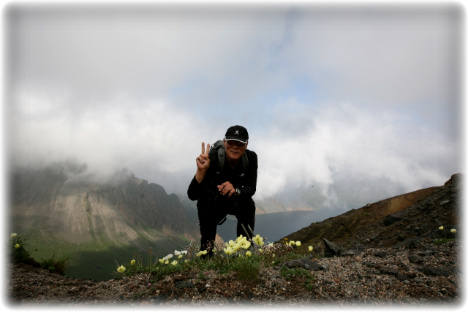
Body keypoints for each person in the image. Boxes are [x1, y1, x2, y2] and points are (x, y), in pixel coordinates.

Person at [187, 125, 258, 256]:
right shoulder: (212, 158)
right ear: (224, 142)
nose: (235, 146)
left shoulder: (251, 158)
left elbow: (251, 188)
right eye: (231, 142)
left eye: (240, 143)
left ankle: (243, 253)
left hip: (234, 200)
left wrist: (236, 190)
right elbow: (192, 195)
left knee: (248, 205)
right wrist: (201, 171)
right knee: (204, 204)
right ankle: (206, 255)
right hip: (212, 204)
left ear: (246, 145)